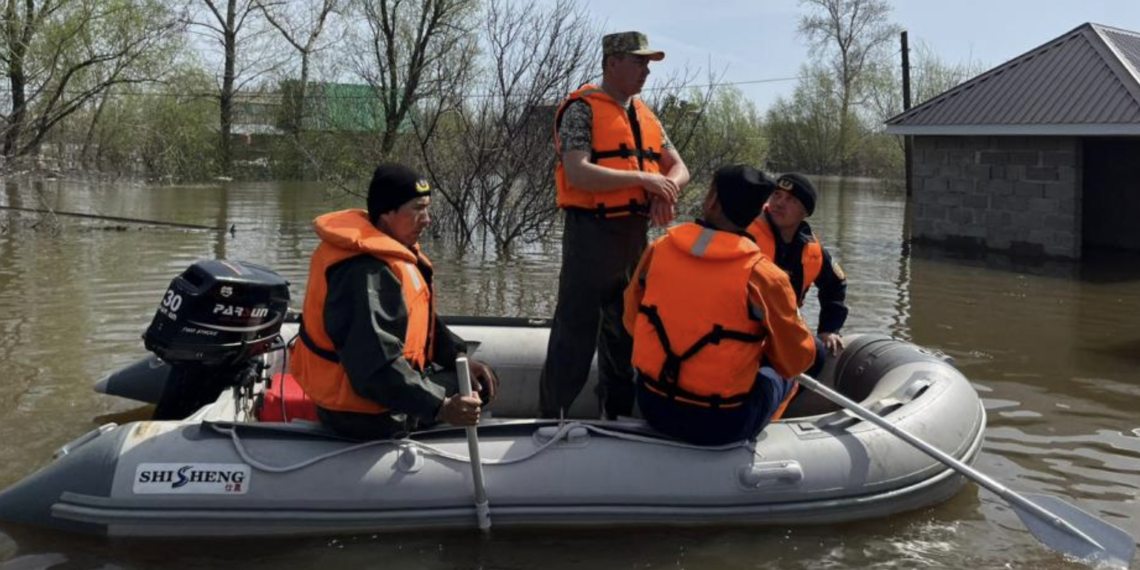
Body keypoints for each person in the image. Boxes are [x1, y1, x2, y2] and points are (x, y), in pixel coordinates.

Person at [540, 31, 690, 420]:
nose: (646, 71)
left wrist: (664, 189)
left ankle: (618, 418)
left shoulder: (647, 115)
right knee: (573, 336)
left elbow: (679, 168)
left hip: (632, 241)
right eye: (638, 62)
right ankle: (549, 418)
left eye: (648, 64)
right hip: (590, 237)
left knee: (625, 337)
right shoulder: (582, 109)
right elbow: (578, 174)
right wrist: (644, 180)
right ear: (612, 63)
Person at [291, 163, 498, 439]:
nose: (426, 219)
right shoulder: (364, 272)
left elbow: (418, 322)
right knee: (476, 389)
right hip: (364, 414)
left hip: (379, 399)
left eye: (427, 208)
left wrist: (458, 357)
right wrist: (442, 406)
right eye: (417, 208)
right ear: (387, 212)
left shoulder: (388, 257)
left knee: (480, 379)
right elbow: (375, 369)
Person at [624, 165, 817, 445]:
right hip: (722, 424)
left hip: (652, 405)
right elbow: (796, 361)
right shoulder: (765, 276)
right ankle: (773, 435)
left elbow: (632, 322)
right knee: (786, 371)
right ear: (756, 212)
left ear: (711, 200)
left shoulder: (659, 249)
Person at [747, 173, 847, 377]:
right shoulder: (745, 231)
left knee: (814, 354)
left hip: (779, 330)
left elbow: (835, 286)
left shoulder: (812, 250)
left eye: (790, 200)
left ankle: (777, 398)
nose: (779, 203)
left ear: (805, 212)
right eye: (776, 195)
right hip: (741, 327)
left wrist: (829, 329)